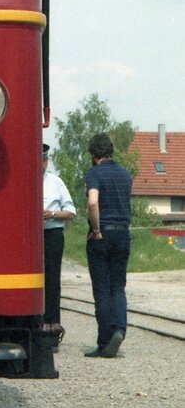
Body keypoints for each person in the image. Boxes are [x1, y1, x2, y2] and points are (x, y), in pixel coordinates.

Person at [84, 132, 132, 358]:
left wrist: (95, 230)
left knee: (102, 289)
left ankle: (104, 341)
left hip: (102, 234)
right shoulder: (125, 174)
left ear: (94, 154)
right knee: (118, 287)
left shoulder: (94, 173)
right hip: (123, 233)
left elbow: (93, 202)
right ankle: (119, 330)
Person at [42, 144, 76, 344]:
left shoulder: (56, 183)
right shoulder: (22, 180)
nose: (42, 164)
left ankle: (52, 326)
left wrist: (53, 214)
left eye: (44, 160)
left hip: (51, 234)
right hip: (28, 237)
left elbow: (71, 212)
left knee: (52, 280)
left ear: (46, 162)